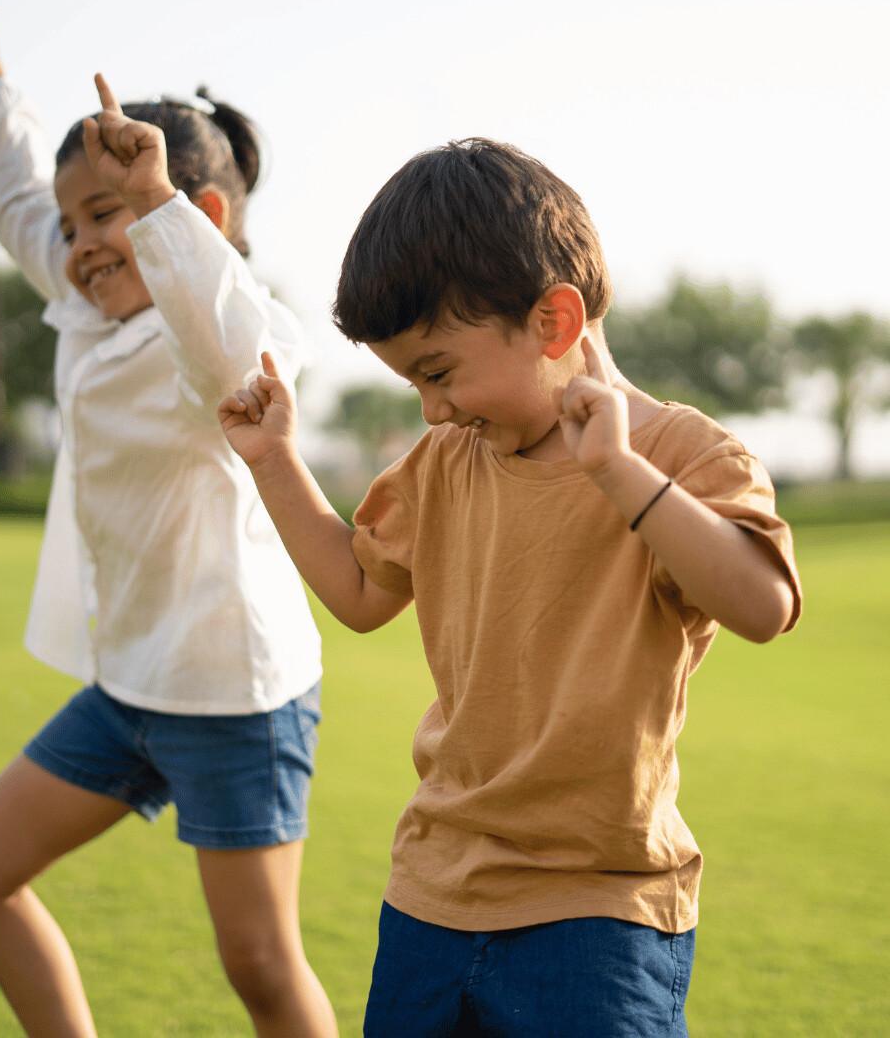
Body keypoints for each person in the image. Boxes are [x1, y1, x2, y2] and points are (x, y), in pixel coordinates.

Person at [218, 138, 802, 1035]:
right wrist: (275, 462)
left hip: (599, 913)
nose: (433, 408)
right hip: (433, 891)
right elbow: (360, 594)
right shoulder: (447, 460)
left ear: (554, 324)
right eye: (414, 381)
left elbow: (764, 606)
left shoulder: (681, 458)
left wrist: (618, 471)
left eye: (439, 371)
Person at [0, 0, 336, 1037]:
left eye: (105, 214)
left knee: (258, 963)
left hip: (233, 696)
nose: (77, 245)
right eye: (76, 227)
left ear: (193, 216)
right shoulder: (85, 304)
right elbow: (22, 200)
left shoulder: (215, 335)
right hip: (130, 687)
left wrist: (152, 208)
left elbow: (235, 349)